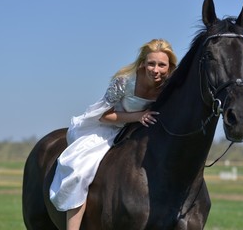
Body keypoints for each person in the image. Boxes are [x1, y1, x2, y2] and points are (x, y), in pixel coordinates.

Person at [49, 39, 177, 230]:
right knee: (80, 170)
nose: (155, 70)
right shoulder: (124, 81)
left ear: (170, 67)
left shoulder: (170, 84)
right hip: (111, 127)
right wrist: (138, 116)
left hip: (143, 132)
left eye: (161, 65)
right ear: (143, 62)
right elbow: (104, 116)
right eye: (151, 63)